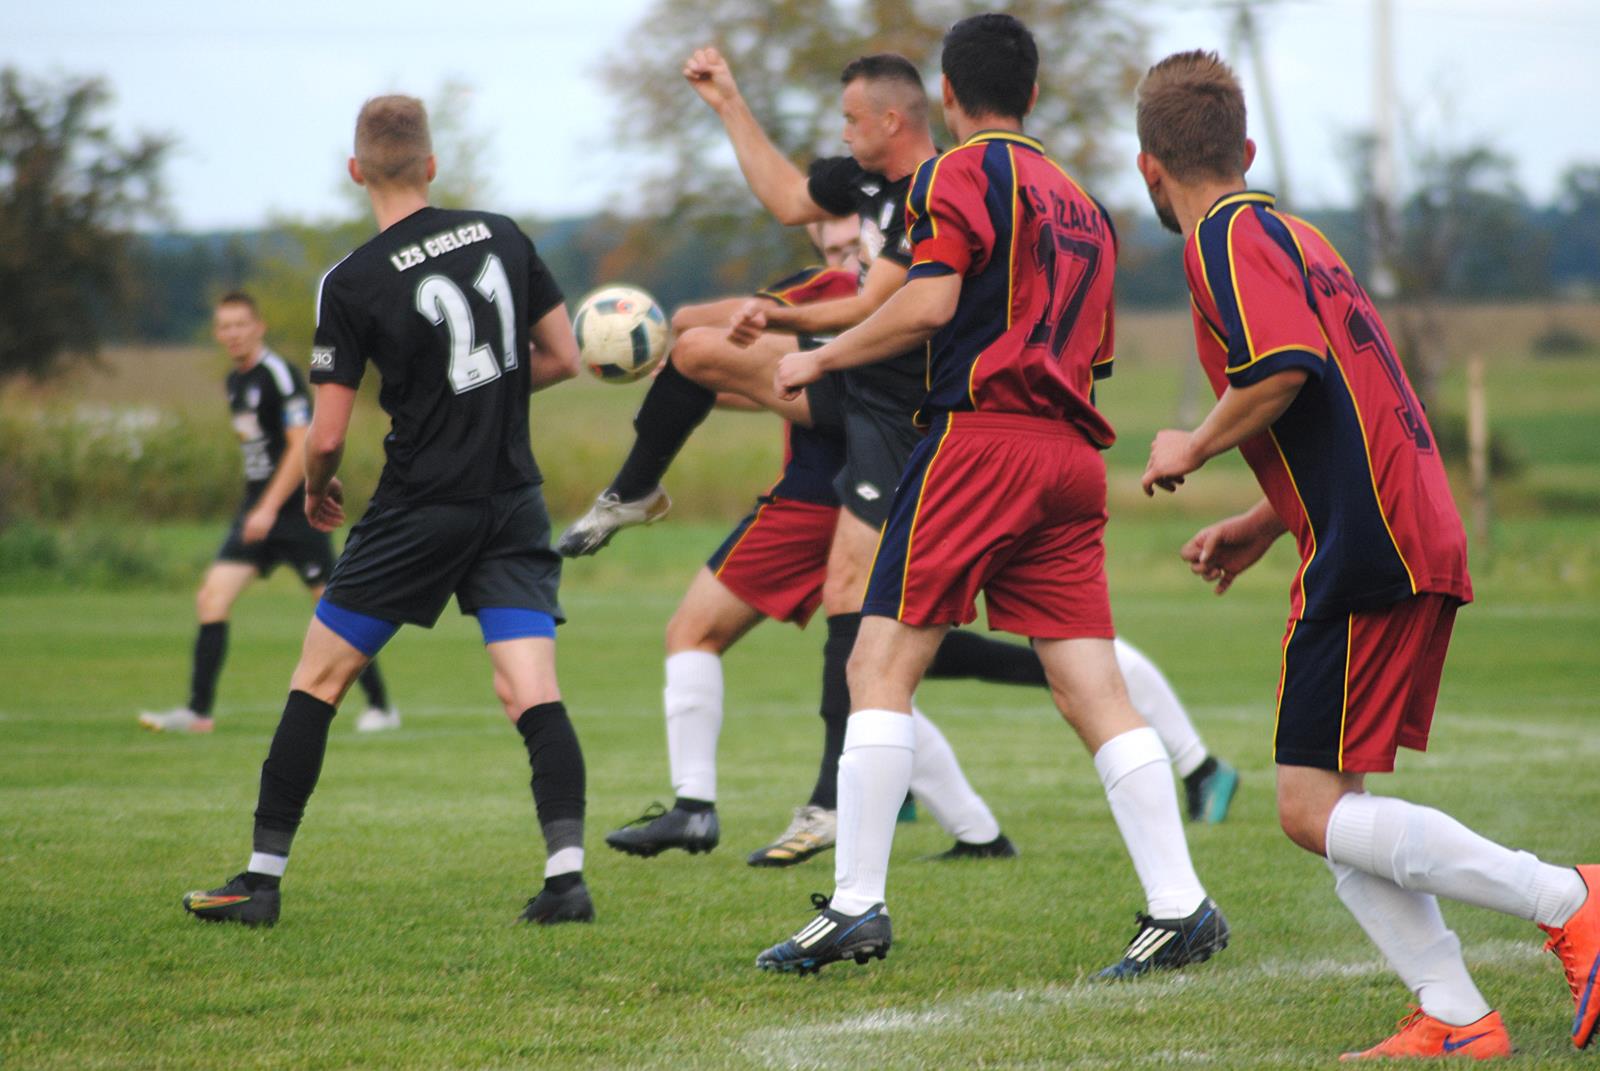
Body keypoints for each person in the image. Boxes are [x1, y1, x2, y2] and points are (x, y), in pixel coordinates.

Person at [1133, 49, 1598, 1059]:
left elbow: (1288, 369)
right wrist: (1265, 522)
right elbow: (1351, 392)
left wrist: (1193, 443)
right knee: (1329, 801)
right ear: (1246, 147)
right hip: (1388, 521)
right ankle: (1457, 1016)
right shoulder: (1295, 234)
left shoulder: (1220, 238)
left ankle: (1570, 897)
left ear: (1146, 170)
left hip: (1371, 540)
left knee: (1307, 808)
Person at [758, 14, 1227, 978]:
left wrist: (823, 355)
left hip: (981, 440)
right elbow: (1093, 353)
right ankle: (1182, 906)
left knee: (876, 665)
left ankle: (855, 905)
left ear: (945, 94)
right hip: (1068, 456)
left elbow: (928, 303)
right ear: (1035, 94)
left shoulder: (956, 172)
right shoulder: (1084, 204)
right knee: (1090, 687)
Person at [180, 95, 594, 928]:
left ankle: (259, 881)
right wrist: (489, 396)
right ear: (433, 165)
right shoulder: (505, 234)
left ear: (356, 171)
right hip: (512, 500)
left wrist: (311, 486)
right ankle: (566, 878)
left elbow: (326, 434)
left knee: (319, 677)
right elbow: (564, 358)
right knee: (530, 690)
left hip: (418, 508)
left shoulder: (354, 279)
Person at [601, 225, 1020, 866]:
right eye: (828, 242)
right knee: (869, 671)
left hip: (856, 492)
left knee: (866, 667)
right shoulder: (812, 292)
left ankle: (736, 807)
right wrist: (692, 351)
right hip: (832, 494)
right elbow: (753, 371)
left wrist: (710, 348)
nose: (840, 255)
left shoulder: (895, 290)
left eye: (852, 241)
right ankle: (978, 832)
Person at [138, 292, 397, 734]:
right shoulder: (234, 382)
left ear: (259, 327)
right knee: (212, 598)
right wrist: (255, 508)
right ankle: (199, 713)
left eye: (241, 324)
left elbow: (301, 444)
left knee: (333, 609)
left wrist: (269, 507)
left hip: (295, 513)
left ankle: (380, 707)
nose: (233, 333)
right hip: (255, 511)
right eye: (225, 326)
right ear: (218, 333)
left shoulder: (278, 374)